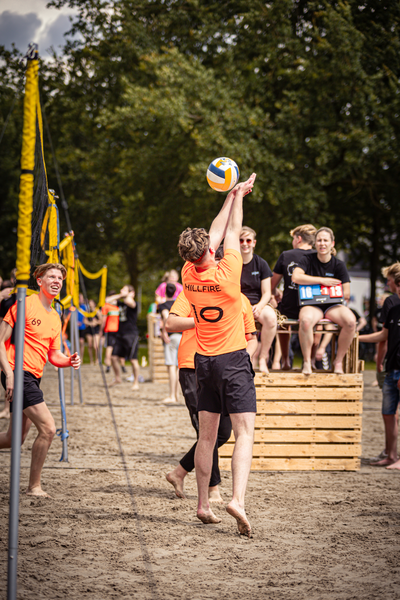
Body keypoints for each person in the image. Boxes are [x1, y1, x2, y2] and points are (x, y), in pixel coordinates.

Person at [178, 172, 257, 537]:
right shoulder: (228, 273)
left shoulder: (187, 274)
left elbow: (215, 231)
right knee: (243, 434)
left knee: (207, 438)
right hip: (232, 360)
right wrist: (239, 197)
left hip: (203, 363)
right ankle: (237, 499)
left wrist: (231, 193)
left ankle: (203, 504)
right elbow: (229, 230)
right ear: (210, 250)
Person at [165, 249, 258, 501]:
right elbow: (170, 323)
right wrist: (202, 319)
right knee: (206, 432)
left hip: (229, 366)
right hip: (193, 364)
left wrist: (244, 360)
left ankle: (180, 471)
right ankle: (212, 490)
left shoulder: (240, 300)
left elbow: (252, 338)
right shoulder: (193, 289)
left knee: (224, 432)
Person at [0, 263, 81, 497]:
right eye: (52, 277)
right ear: (39, 281)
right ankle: (34, 486)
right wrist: (9, 375)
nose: (57, 281)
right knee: (48, 428)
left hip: (34, 375)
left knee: (13, 438)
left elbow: (53, 354)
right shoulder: (24, 305)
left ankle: (33, 485)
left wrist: (69, 360)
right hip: (17, 371)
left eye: (60, 278)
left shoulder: (55, 317)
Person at [292, 227, 356, 375]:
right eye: (319, 240)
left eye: (325, 240)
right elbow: (296, 277)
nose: (322, 243)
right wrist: (323, 281)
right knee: (306, 320)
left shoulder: (339, 265)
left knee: (351, 321)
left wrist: (320, 289)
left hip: (332, 306)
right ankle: (307, 361)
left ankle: (338, 361)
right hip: (312, 305)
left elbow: (346, 293)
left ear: (332, 243)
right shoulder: (307, 259)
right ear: (315, 243)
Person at [359, 272, 400, 470]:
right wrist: (356, 338)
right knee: (387, 413)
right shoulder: (393, 308)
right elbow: (384, 335)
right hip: (391, 368)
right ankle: (391, 455)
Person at [271, 224, 317, 370]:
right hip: (312, 304)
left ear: (298, 239)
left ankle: (285, 360)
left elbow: (272, 284)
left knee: (283, 322)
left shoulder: (287, 255)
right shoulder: (319, 255)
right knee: (319, 324)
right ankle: (310, 360)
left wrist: (276, 292)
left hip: (290, 305)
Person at [239, 226, 276, 373]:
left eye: (248, 240)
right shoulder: (231, 262)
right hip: (237, 304)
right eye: (241, 240)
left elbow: (267, 292)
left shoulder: (261, 263)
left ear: (254, 243)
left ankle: (262, 358)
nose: (245, 243)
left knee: (271, 318)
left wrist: (260, 306)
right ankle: (241, 361)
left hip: (256, 303)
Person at [107, 285, 140, 391]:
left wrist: (127, 295)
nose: (121, 290)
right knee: (113, 357)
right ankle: (117, 378)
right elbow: (107, 300)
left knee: (133, 360)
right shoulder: (120, 302)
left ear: (132, 293)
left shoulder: (133, 304)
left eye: (124, 289)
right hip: (119, 334)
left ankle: (136, 382)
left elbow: (130, 302)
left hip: (131, 335)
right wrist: (121, 295)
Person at [158, 283, 182, 404]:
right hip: (182, 336)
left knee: (171, 366)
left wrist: (164, 332)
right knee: (178, 366)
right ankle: (176, 395)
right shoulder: (178, 304)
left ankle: (172, 396)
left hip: (172, 336)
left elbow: (166, 317)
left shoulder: (163, 305)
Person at [100, 293, 120, 373]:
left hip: (110, 330)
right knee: (113, 347)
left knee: (109, 347)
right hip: (117, 330)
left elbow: (103, 320)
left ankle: (108, 364)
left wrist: (101, 330)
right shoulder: (118, 307)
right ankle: (120, 366)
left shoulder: (106, 306)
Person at [83, 299, 102, 365]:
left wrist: (96, 322)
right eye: (89, 303)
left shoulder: (97, 311)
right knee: (90, 345)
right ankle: (91, 360)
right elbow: (84, 320)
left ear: (94, 304)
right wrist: (90, 323)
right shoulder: (87, 311)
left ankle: (97, 359)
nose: (90, 304)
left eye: (91, 303)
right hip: (89, 330)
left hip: (96, 329)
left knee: (95, 346)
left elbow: (101, 321)